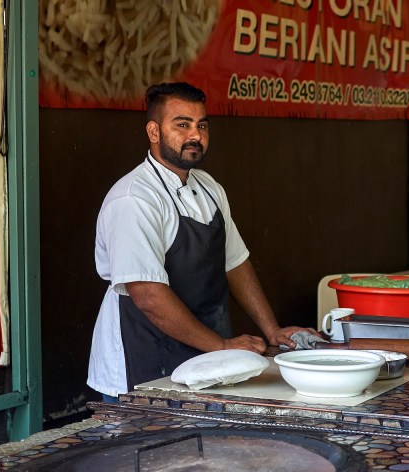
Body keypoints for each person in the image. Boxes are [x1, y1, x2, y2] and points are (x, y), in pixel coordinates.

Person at [88, 82, 316, 400]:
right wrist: (221, 345)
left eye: (202, 125)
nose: (195, 135)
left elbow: (235, 263)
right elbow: (148, 296)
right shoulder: (133, 198)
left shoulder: (209, 187)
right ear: (153, 132)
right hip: (143, 356)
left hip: (207, 356)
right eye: (182, 125)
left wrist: (272, 330)